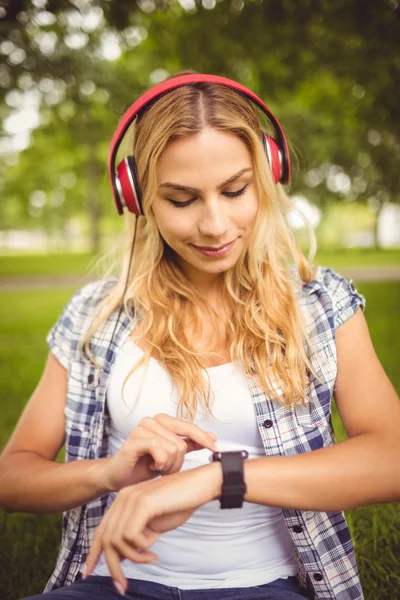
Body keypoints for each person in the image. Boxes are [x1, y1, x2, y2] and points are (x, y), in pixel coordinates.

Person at [1, 73, 399, 600]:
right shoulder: (96, 315)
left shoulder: (321, 304)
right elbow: (13, 477)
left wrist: (217, 476)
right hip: (111, 585)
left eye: (235, 190)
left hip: (262, 586)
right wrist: (108, 474)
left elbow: (390, 456)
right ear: (137, 197)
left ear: (267, 174)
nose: (215, 225)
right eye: (182, 200)